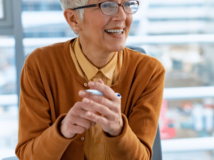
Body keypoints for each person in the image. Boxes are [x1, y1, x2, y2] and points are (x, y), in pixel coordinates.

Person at [15, 0, 165, 159]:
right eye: (107, 5)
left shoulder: (149, 72)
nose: (122, 16)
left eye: (127, 4)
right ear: (73, 19)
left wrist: (118, 130)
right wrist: (62, 131)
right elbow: (28, 155)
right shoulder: (39, 65)